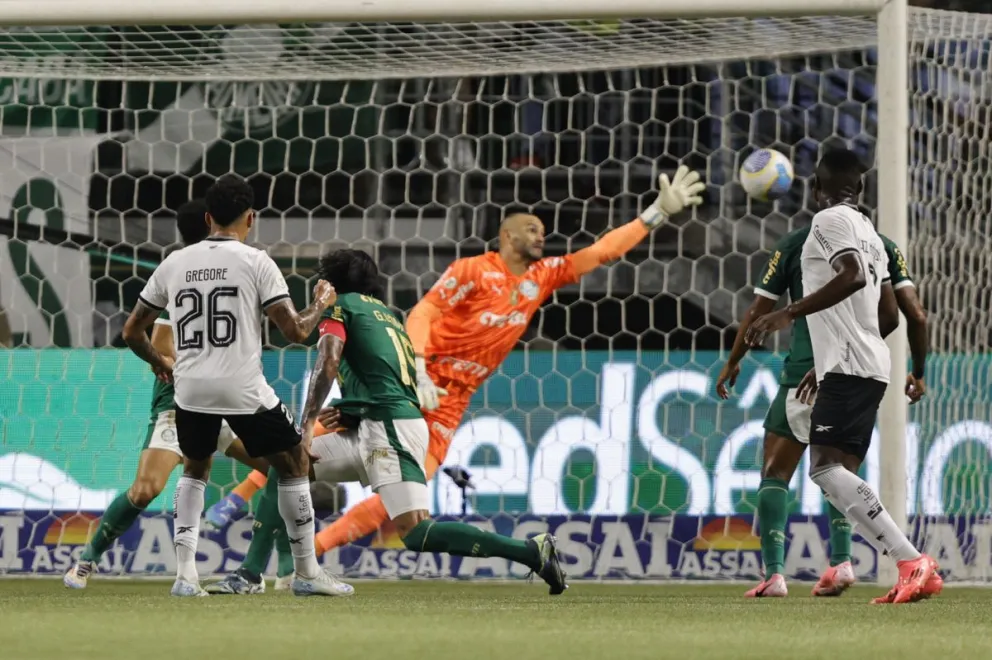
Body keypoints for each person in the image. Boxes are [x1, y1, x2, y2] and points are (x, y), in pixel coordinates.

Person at [205, 166, 706, 566]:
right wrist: (421, 367)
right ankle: (238, 502)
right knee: (302, 445)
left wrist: (656, 214)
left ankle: (311, 551)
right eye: (531, 228)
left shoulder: (544, 276)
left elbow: (599, 253)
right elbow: (423, 312)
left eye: (543, 230)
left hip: (451, 403)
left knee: (402, 504)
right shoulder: (472, 270)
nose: (541, 235)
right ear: (505, 235)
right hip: (411, 380)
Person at [210, 249, 569, 594]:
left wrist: (307, 425)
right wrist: (353, 411)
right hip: (375, 424)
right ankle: (253, 572)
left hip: (391, 430)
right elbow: (388, 378)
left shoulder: (340, 306)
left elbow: (328, 362)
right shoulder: (387, 316)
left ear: (332, 282)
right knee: (288, 466)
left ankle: (530, 551)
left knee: (417, 532)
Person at [120, 175, 351, 598]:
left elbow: (132, 331)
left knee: (195, 469)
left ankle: (185, 576)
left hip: (190, 390)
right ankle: (306, 572)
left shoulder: (175, 262)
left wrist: (159, 363)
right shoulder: (256, 261)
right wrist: (321, 301)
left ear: (208, 218)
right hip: (242, 388)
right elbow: (296, 331)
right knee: (295, 463)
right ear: (251, 218)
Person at [744, 149, 938, 604]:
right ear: (861, 189)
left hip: (850, 366)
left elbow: (850, 277)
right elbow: (890, 315)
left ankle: (911, 561)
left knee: (826, 469)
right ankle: (903, 566)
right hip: (868, 365)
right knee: (837, 472)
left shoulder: (827, 222)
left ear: (816, 188)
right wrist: (833, 355)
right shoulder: (871, 234)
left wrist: (789, 312)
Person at [64, 200, 290, 589]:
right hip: (180, 405)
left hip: (227, 402)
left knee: (284, 469)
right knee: (146, 489)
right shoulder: (184, 277)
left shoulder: (222, 274)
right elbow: (160, 346)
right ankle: (86, 560)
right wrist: (185, 366)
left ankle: (280, 568)